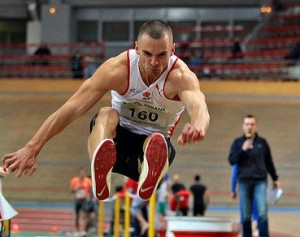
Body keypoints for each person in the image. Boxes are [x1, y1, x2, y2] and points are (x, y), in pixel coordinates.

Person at [2, 20, 210, 204]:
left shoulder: (181, 75)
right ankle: (101, 168)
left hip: (149, 151)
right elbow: (73, 107)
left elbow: (198, 103)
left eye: (161, 55)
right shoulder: (117, 69)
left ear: (172, 50)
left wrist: (199, 125)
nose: (154, 63)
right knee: (106, 114)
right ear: (137, 48)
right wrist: (33, 147)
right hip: (115, 137)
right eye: (147, 54)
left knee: (156, 141)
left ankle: (149, 177)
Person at [228, 114, 280, 237]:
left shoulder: (262, 143)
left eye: (252, 124)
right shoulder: (238, 143)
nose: (249, 126)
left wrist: (275, 178)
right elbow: (232, 160)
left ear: (256, 126)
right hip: (244, 181)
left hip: (260, 181)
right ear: (243, 126)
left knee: (262, 213)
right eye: (247, 124)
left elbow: (269, 161)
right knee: (245, 215)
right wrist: (242, 150)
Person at [69, 167, 92, 236]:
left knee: (84, 215)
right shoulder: (74, 180)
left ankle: (83, 231)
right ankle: (77, 230)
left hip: (84, 199)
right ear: (79, 173)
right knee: (77, 215)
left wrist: (90, 196)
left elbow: (91, 190)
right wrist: (76, 189)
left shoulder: (88, 180)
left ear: (85, 173)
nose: (82, 174)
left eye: (83, 173)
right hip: (77, 199)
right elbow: (70, 191)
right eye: (81, 173)